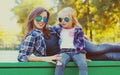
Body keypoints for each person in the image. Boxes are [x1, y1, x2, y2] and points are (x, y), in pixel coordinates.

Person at [54, 7, 88, 75]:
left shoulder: (77, 30)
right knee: (59, 64)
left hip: (76, 52)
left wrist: (83, 56)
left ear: (72, 20)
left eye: (66, 19)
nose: (63, 21)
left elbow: (81, 43)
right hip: (64, 52)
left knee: (83, 64)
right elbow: (49, 28)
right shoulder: (59, 29)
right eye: (61, 19)